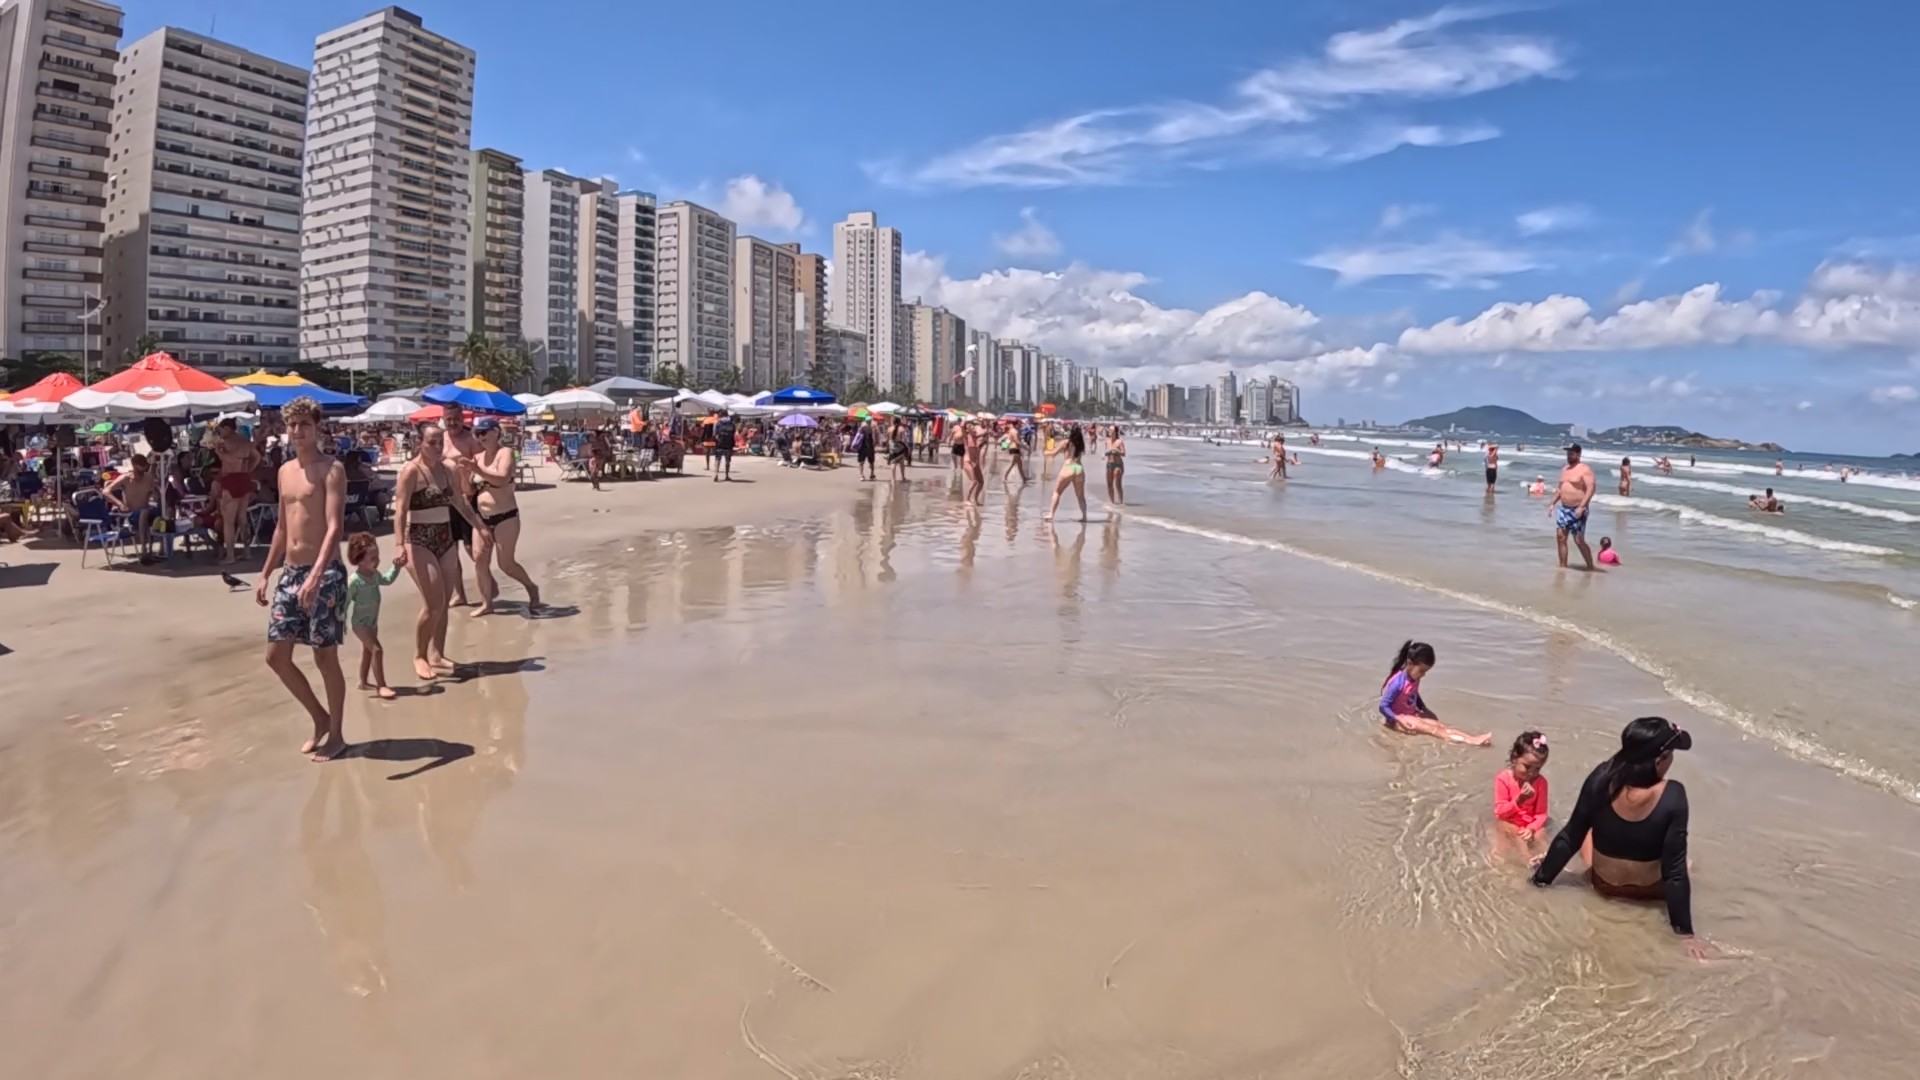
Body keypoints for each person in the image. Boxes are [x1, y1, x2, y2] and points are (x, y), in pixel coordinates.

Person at [1530, 717, 1704, 958]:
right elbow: (1674, 873)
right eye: (1671, 753)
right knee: (1687, 865)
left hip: (1603, 886)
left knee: (1588, 830)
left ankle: (1576, 875)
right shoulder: (1673, 794)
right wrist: (1685, 934)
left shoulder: (1601, 778)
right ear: (1659, 759)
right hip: (1648, 894)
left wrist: (1540, 881)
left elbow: (1570, 836)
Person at [253, 397, 351, 761]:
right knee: (276, 656)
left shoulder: (331, 470)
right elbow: (281, 526)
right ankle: (320, 718)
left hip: (324, 574)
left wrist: (316, 575)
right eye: (292, 425)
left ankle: (338, 734)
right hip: (290, 573)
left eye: (304, 425)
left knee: (326, 659)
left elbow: (334, 527)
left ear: (316, 427)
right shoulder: (284, 471)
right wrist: (265, 573)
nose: (297, 431)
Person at [393, 423, 491, 684]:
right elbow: (400, 510)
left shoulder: (448, 469)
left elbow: (460, 502)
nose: (437, 447)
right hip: (419, 539)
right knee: (433, 602)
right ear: (420, 444)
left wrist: (480, 527)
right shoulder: (411, 471)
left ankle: (438, 654)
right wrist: (399, 544)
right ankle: (420, 655)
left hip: (445, 537)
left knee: (446, 601)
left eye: (439, 442)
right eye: (431, 442)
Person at [466, 418, 543, 617]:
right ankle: (487, 603)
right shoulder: (477, 457)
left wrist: (477, 471)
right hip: (482, 517)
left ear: (496, 432)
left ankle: (531, 587)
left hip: (506, 516)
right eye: (477, 434)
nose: (480, 437)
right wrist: (463, 474)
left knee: (505, 564)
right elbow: (469, 489)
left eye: (484, 432)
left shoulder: (505, 453)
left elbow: (502, 479)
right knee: (480, 560)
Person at [1378, 641, 1492, 746]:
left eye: (1426, 671)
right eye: (1422, 671)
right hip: (1397, 721)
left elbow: (1413, 695)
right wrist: (1397, 718)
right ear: (1409, 663)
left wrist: (1424, 709)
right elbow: (1383, 706)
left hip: (1411, 715)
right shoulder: (1397, 683)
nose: (1423, 675)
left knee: (1440, 726)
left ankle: (1472, 738)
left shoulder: (1413, 678)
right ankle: (1470, 742)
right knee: (1434, 731)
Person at [345, 531, 404, 700]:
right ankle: (382, 686)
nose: (377, 561)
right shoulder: (355, 580)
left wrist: (397, 567)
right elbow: (346, 602)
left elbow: (387, 580)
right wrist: (340, 622)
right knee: (377, 650)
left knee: (368, 651)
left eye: (377, 556)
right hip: (360, 624)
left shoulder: (374, 575)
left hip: (372, 622)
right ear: (359, 559)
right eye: (373, 558)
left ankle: (362, 681)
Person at [441, 410, 480, 606]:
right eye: (448, 419)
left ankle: (488, 585)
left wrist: (472, 480)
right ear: (443, 419)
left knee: (471, 547)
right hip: (445, 500)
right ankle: (460, 594)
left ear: (462, 419)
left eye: (456, 419)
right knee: (450, 550)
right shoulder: (439, 439)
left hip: (466, 497)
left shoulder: (470, 439)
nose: (452, 422)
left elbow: (480, 465)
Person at [213, 417, 260, 565]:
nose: (219, 432)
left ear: (227, 428)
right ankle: (247, 552)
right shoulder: (245, 441)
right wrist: (248, 469)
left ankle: (230, 555)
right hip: (244, 478)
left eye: (220, 429)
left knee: (228, 521)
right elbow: (257, 457)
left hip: (231, 479)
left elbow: (231, 460)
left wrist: (220, 454)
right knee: (242, 518)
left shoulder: (225, 444)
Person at [1495, 731, 1551, 846]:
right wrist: (1519, 800)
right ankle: (1527, 860)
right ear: (1514, 758)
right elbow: (1500, 813)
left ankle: (1544, 859)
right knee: (1506, 829)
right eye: (1527, 766)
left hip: (1530, 824)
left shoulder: (1541, 783)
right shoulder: (1503, 779)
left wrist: (1531, 829)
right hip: (1509, 821)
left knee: (1542, 834)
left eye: (1537, 769)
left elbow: (1541, 814)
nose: (1531, 772)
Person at [1548, 443, 1597, 570]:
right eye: (1568, 453)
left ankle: (1590, 567)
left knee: (1579, 540)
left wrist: (1582, 507)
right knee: (1560, 537)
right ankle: (1563, 567)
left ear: (1578, 454)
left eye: (1571, 453)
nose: (1569, 456)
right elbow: (1560, 489)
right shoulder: (1565, 469)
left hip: (1577, 509)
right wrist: (1552, 503)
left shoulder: (1584, 469)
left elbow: (1591, 489)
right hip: (1564, 508)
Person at [103, 453, 161, 555]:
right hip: (132, 514)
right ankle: (144, 549)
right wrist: (120, 504)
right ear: (134, 465)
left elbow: (157, 492)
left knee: (162, 510)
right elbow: (106, 491)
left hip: (147, 509)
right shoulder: (125, 478)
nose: (144, 468)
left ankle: (162, 548)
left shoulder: (148, 477)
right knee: (143, 513)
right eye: (141, 466)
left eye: (145, 466)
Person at [1044, 424, 1089, 522]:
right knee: (1080, 496)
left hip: (1068, 467)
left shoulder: (1066, 442)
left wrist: (1045, 452)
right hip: (1078, 467)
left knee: (1057, 492)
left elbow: (1053, 453)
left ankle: (1051, 514)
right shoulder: (1081, 444)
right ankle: (1084, 516)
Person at [962, 420, 987, 504]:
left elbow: (983, 434)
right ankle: (967, 499)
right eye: (970, 427)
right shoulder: (967, 437)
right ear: (967, 430)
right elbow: (963, 429)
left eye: (973, 426)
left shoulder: (975, 437)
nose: (972, 427)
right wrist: (964, 423)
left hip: (975, 462)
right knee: (974, 481)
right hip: (968, 462)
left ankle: (975, 499)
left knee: (981, 482)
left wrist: (983, 442)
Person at [711, 412, 737, 482]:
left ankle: (716, 474)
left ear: (721, 415)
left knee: (717, 459)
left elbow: (714, 434)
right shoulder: (732, 424)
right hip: (729, 444)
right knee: (727, 460)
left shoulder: (718, 423)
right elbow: (734, 434)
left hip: (720, 444)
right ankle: (727, 475)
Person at [1104, 425, 1127, 505]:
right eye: (1109, 430)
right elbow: (1105, 452)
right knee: (1109, 484)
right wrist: (1105, 454)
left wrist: (1116, 450)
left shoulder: (1120, 441)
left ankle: (1121, 503)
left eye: (1112, 431)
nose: (1110, 432)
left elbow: (1124, 453)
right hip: (1109, 464)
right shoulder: (1107, 441)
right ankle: (1112, 503)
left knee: (1118, 484)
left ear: (1116, 432)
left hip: (1118, 464)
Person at [586, 426, 614, 491]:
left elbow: (609, 446)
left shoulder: (602, 438)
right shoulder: (594, 439)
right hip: (596, 457)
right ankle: (596, 484)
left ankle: (596, 484)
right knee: (593, 472)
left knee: (594, 472)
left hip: (599, 457)